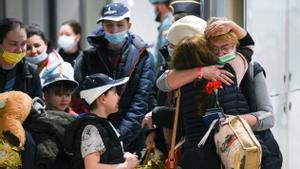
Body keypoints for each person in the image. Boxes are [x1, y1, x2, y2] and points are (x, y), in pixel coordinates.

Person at [74, 2, 155, 153]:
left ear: (129, 25)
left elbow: (140, 103)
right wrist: (98, 131)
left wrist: (118, 135)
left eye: (120, 24)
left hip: (132, 136)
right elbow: (81, 97)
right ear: (102, 26)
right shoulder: (88, 57)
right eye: (109, 25)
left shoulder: (143, 57)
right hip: (95, 135)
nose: (114, 30)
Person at [64, 73, 139, 169]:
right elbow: (92, 167)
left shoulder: (104, 123)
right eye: (115, 93)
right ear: (103, 99)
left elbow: (107, 155)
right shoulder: (91, 129)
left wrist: (123, 155)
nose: (118, 97)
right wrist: (125, 166)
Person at [0, 17, 41, 169]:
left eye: (23, 44)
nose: (20, 49)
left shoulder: (31, 71)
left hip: (22, 132)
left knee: (28, 143)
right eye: (13, 44)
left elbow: (39, 105)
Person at [149, 0, 173, 74]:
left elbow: (165, 54)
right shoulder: (167, 22)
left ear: (160, 6)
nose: (153, 10)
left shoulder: (167, 24)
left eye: (154, 6)